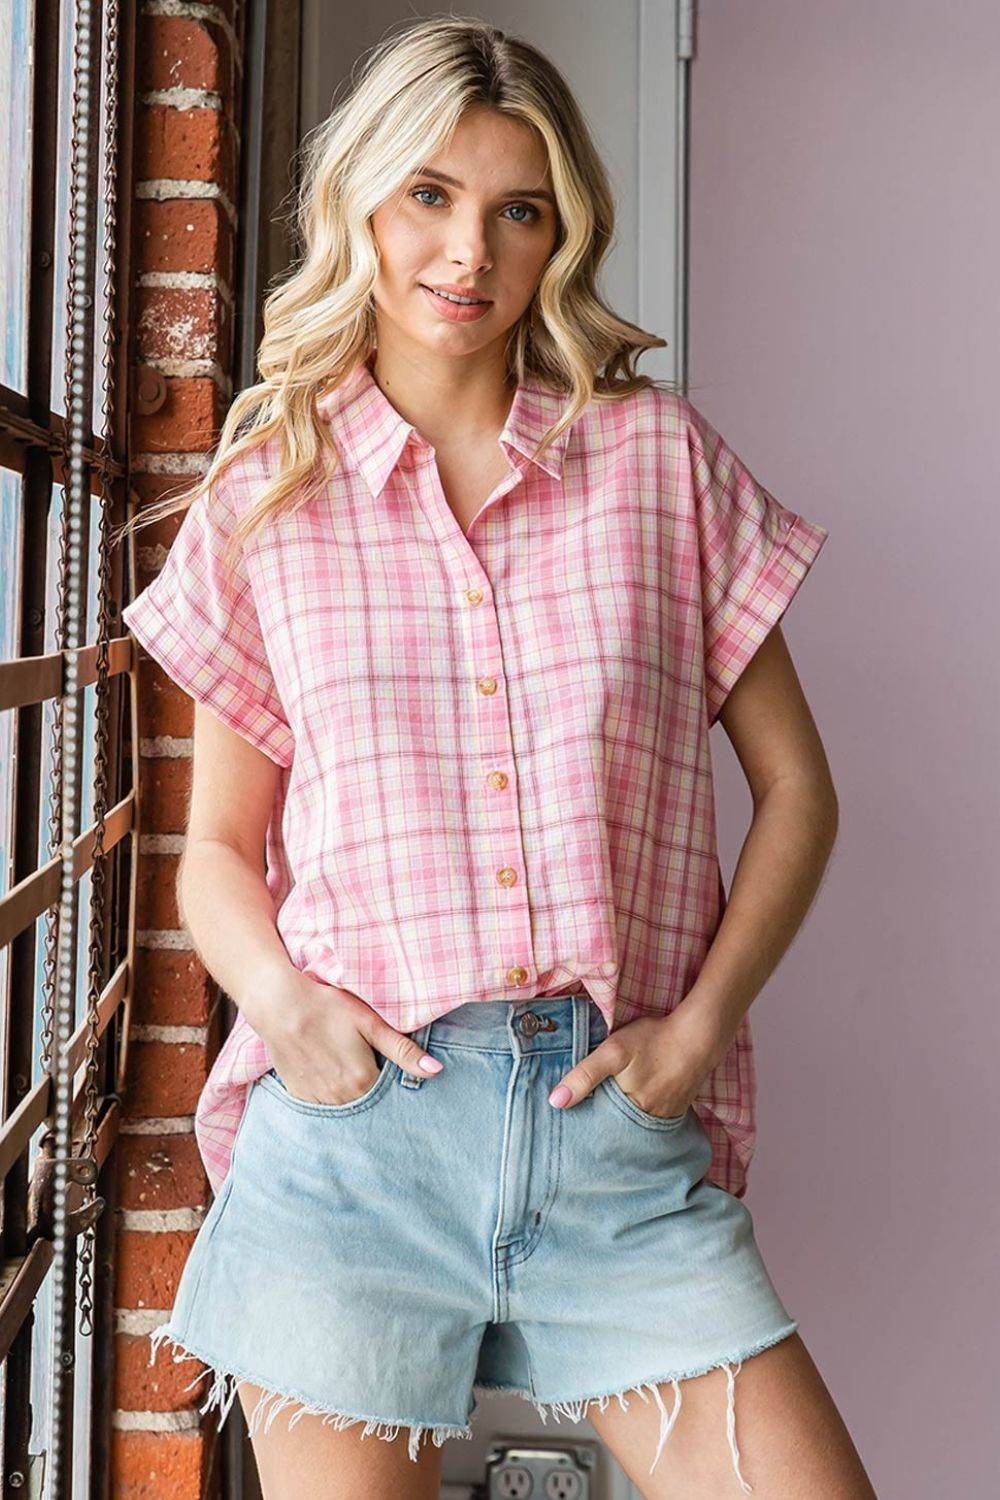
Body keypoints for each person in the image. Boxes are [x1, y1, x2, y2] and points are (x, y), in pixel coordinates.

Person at [119, 16, 876, 1500]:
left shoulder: (659, 464)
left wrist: (698, 1032)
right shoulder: (270, 498)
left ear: (559, 235)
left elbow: (800, 791)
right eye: (430, 195)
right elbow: (214, 854)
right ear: (361, 202)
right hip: (354, 1151)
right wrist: (289, 1011)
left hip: (610, 1138)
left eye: (516, 210)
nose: (468, 252)